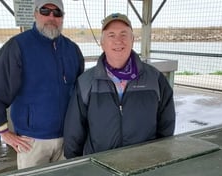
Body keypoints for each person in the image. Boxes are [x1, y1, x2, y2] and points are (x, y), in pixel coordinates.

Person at [0, 0, 84, 169]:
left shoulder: (73, 50)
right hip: (32, 142)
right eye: (45, 11)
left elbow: (81, 94)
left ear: (62, 17)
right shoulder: (18, 47)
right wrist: (3, 131)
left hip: (68, 138)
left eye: (57, 13)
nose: (51, 17)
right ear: (35, 14)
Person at [63, 13, 175, 159]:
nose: (118, 41)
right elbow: (74, 130)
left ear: (132, 40)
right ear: (102, 43)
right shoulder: (86, 82)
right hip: (100, 166)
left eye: (124, 34)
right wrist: (75, 165)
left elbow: (166, 126)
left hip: (143, 164)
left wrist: (160, 158)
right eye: (111, 35)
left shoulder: (155, 79)